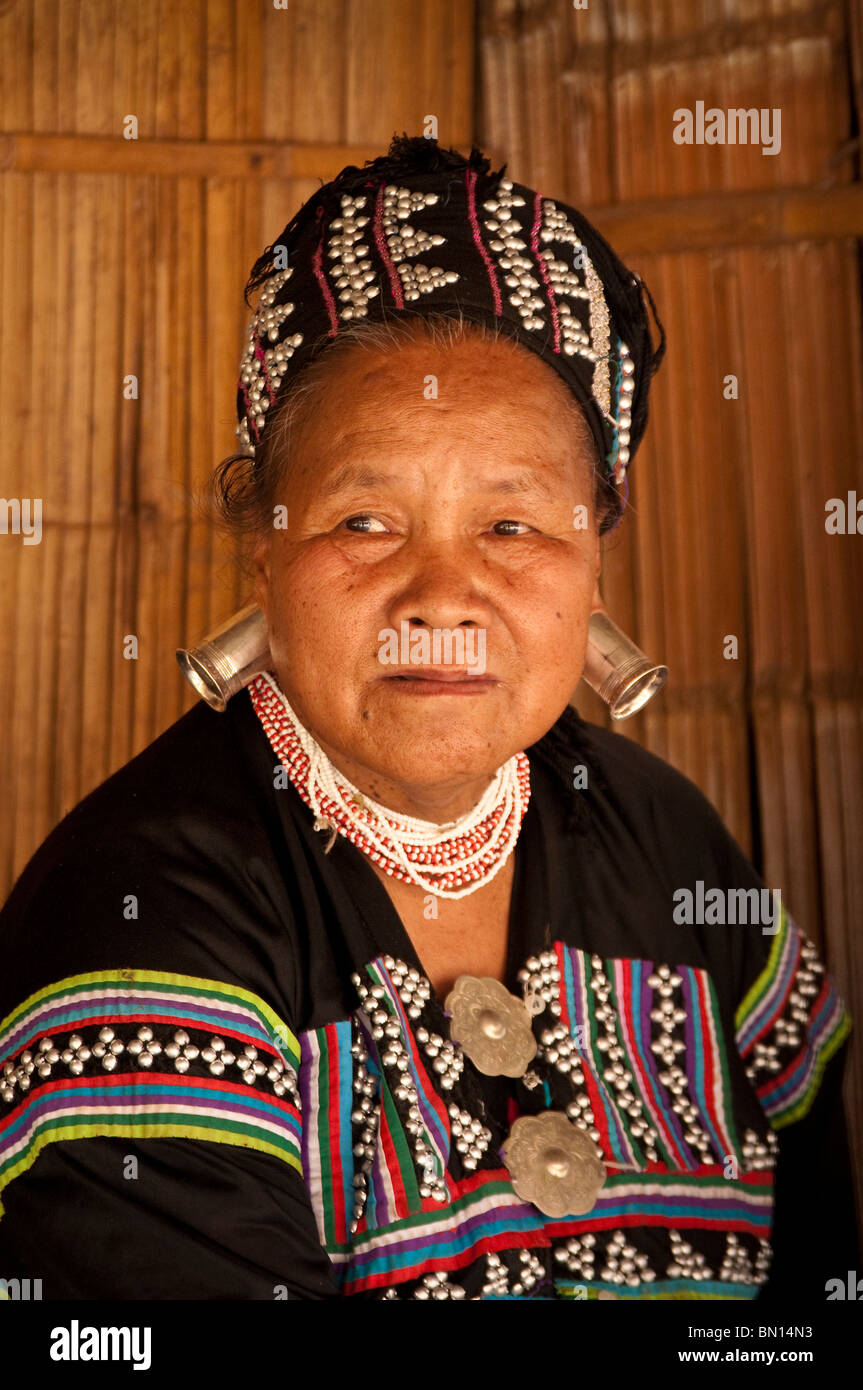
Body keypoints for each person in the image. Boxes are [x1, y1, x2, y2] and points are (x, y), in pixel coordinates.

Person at [0, 135, 856, 1301]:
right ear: (264, 549)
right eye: (365, 522)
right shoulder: (140, 919)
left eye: (512, 528)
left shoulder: (671, 846)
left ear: (592, 561)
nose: (442, 596)